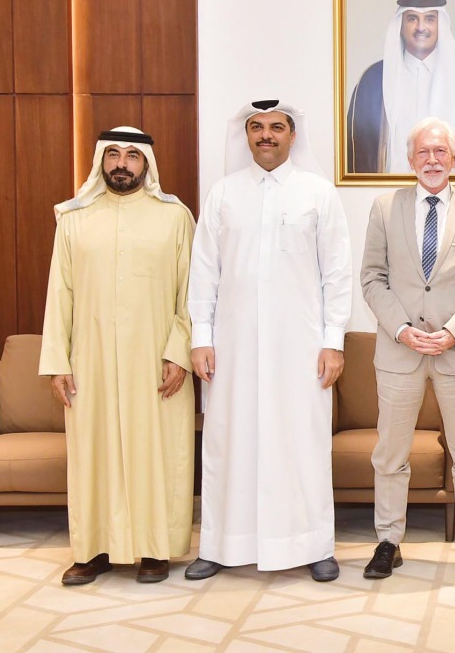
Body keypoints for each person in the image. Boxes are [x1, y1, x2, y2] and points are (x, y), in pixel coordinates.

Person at [185, 100, 352, 582]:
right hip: (233, 349)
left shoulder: (318, 194)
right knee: (227, 442)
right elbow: (204, 273)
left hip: (300, 349)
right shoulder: (222, 195)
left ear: (292, 135)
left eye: (276, 127)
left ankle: (313, 544)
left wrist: (333, 341)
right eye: (256, 127)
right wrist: (201, 337)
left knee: (302, 442)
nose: (266, 135)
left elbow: (337, 274)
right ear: (246, 135)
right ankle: (220, 545)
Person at [41, 127, 196, 586]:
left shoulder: (175, 218)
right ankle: (93, 550)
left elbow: (191, 292)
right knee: (94, 452)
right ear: (100, 161)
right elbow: (59, 294)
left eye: (132, 155)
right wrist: (58, 362)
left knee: (157, 453)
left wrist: (179, 354)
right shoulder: (74, 219)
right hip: (90, 362)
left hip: (156, 360)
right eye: (113, 154)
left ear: (146, 162)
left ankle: (155, 549)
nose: (122, 163)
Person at [359, 117, 455, 580]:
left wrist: (454, 331)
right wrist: (401, 329)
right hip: (399, 352)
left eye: (441, 152)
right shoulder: (384, 207)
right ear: (410, 159)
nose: (433, 160)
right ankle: (388, 541)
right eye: (424, 152)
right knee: (391, 453)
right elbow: (372, 277)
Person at [346, 0, 455, 174]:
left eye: (430, 19)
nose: (421, 27)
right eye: (412, 19)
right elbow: (357, 152)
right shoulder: (374, 79)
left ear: (441, 25)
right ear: (400, 25)